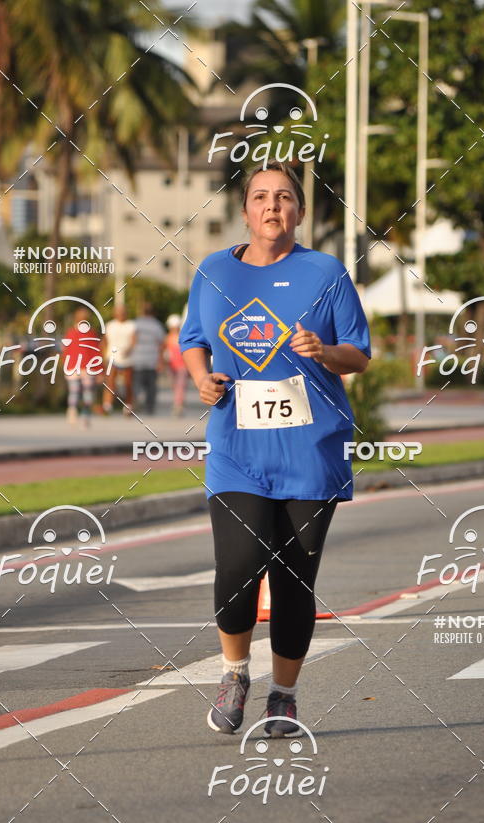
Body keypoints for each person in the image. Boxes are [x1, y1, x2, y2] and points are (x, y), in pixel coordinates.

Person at [179, 160, 370, 738]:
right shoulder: (213, 271)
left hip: (310, 451)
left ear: (300, 212)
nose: (272, 206)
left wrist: (323, 350)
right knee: (238, 566)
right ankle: (235, 672)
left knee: (293, 578)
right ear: (244, 211)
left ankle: (283, 695)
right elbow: (192, 340)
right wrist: (200, 378)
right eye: (260, 197)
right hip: (237, 446)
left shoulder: (326, 273)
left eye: (284, 197)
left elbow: (358, 354)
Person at [130, 301, 166, 415]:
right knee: (151, 386)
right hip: (152, 359)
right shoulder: (157, 325)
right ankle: (149, 408)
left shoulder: (135, 324)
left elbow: (132, 341)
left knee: (136, 385)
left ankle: (135, 405)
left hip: (137, 359)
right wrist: (161, 361)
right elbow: (161, 345)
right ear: (153, 312)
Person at [102, 303, 135, 415]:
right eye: (118, 313)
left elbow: (134, 341)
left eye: (122, 313)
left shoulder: (131, 325)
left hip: (127, 358)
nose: (120, 315)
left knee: (128, 384)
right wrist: (103, 355)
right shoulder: (110, 325)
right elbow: (105, 341)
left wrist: (129, 349)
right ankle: (107, 405)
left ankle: (128, 406)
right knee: (110, 382)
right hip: (112, 357)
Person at [166, 313, 188, 415]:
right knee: (174, 386)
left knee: (180, 385)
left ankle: (178, 405)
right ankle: (178, 403)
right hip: (171, 366)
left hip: (182, 366)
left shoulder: (183, 336)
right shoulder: (167, 338)